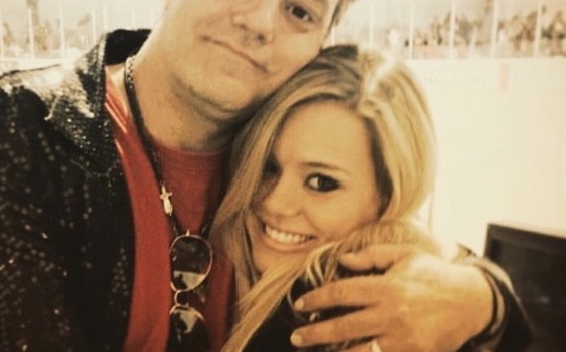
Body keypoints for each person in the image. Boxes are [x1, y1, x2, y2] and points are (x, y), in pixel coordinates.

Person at [0, 0, 531, 351]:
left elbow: (416, 252)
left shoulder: (287, 146)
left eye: (300, 9)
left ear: (322, 40)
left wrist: (482, 301)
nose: (260, 21)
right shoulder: (24, 133)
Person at [211, 44, 532, 351]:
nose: (275, 202)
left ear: (389, 198)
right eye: (267, 167)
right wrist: (486, 299)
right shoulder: (429, 285)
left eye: (321, 182)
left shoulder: (320, 310)